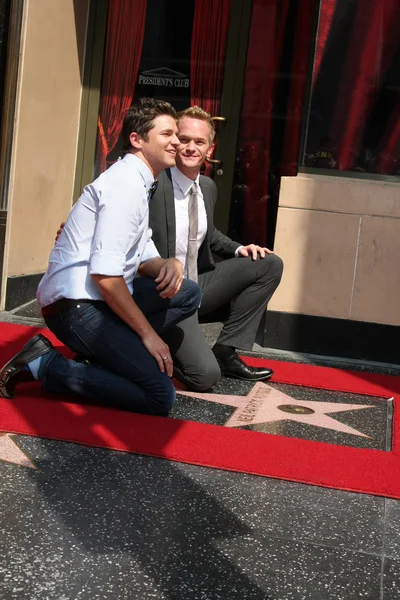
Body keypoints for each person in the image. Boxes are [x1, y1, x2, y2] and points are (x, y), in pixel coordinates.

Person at [0, 98, 201, 416]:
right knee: (159, 396)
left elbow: (141, 253)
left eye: (176, 133)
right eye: (167, 134)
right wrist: (148, 336)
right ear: (137, 139)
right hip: (76, 308)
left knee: (188, 291)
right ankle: (45, 364)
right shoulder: (125, 186)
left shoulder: (138, 181)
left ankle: (108, 355)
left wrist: (168, 264)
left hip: (94, 301)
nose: (177, 141)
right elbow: (105, 276)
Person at [150, 106, 283, 391]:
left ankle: (225, 351)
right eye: (184, 139)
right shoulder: (154, 183)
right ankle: (159, 345)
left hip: (197, 286)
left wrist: (239, 249)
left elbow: (208, 235)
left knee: (269, 264)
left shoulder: (207, 186)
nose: (189, 148)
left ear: (211, 146)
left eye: (199, 142)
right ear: (173, 141)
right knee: (205, 378)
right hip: (162, 295)